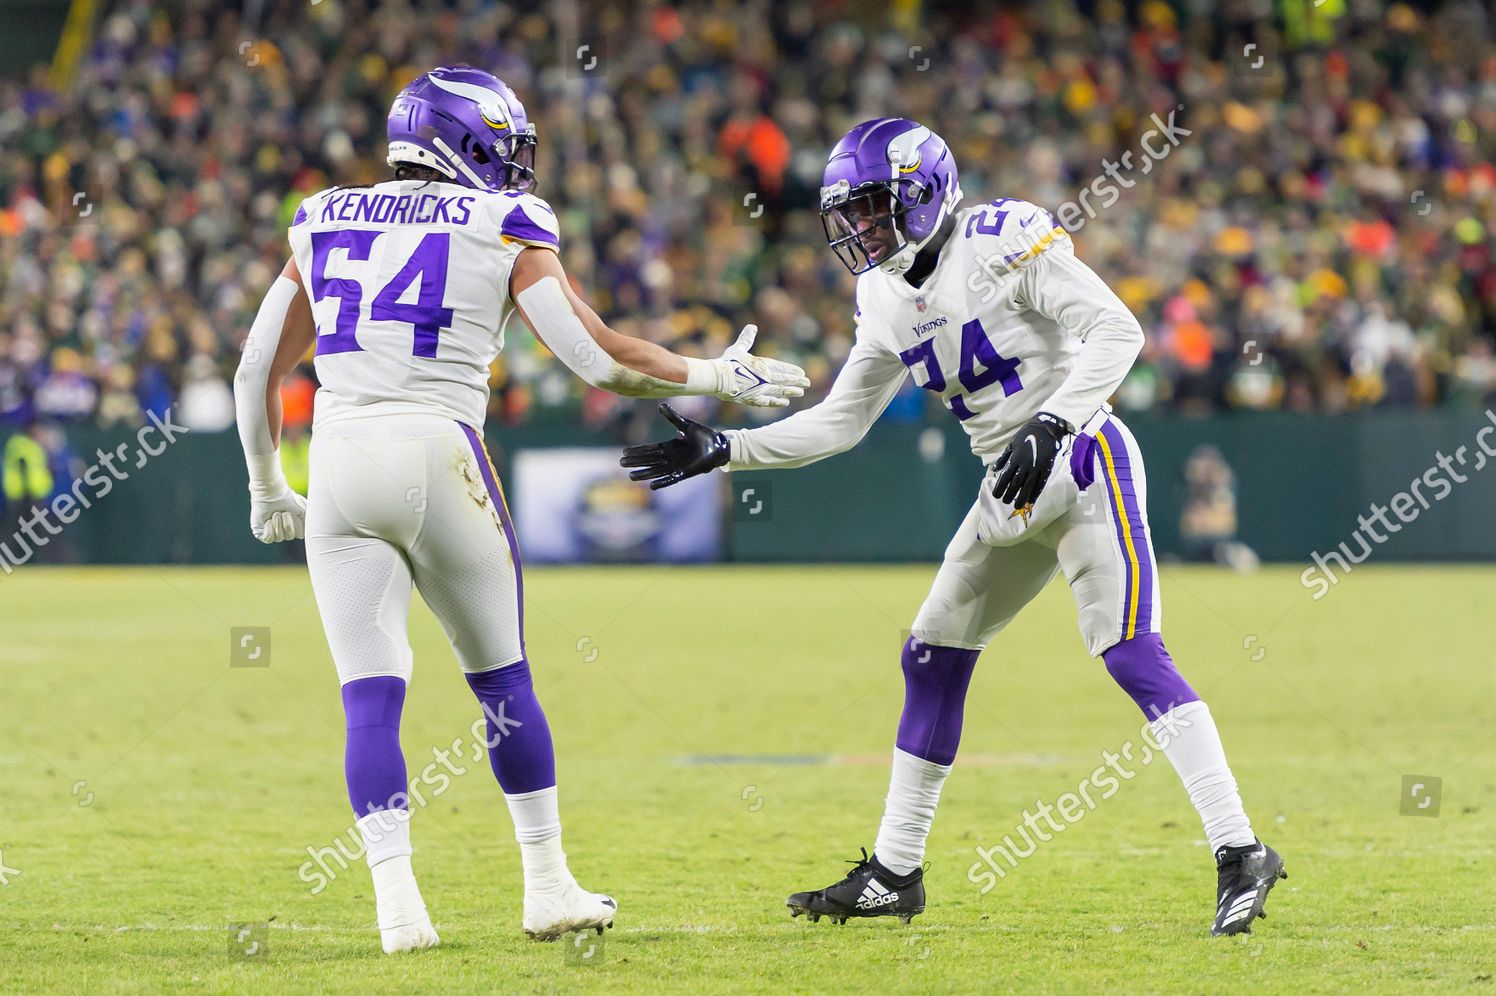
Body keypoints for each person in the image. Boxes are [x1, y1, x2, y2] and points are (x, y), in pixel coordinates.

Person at [621, 118, 1284, 936]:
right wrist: (729, 448)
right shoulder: (882, 295)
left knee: (1130, 653)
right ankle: (896, 872)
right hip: (1005, 488)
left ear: (923, 193)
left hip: (1081, 464)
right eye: (849, 216)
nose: (859, 231)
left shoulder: (1003, 238)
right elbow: (839, 422)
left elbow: (1120, 331)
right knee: (929, 655)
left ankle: (1240, 849)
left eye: (872, 209)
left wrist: (1058, 420)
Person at [232, 66, 807, 955]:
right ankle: (545, 885)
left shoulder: (323, 216)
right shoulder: (502, 222)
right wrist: (718, 377)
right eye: (502, 145)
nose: (513, 164)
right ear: (460, 141)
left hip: (342, 459)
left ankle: (398, 910)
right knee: (502, 683)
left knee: (369, 699)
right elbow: (601, 359)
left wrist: (268, 487)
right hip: (439, 448)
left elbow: (253, 369)